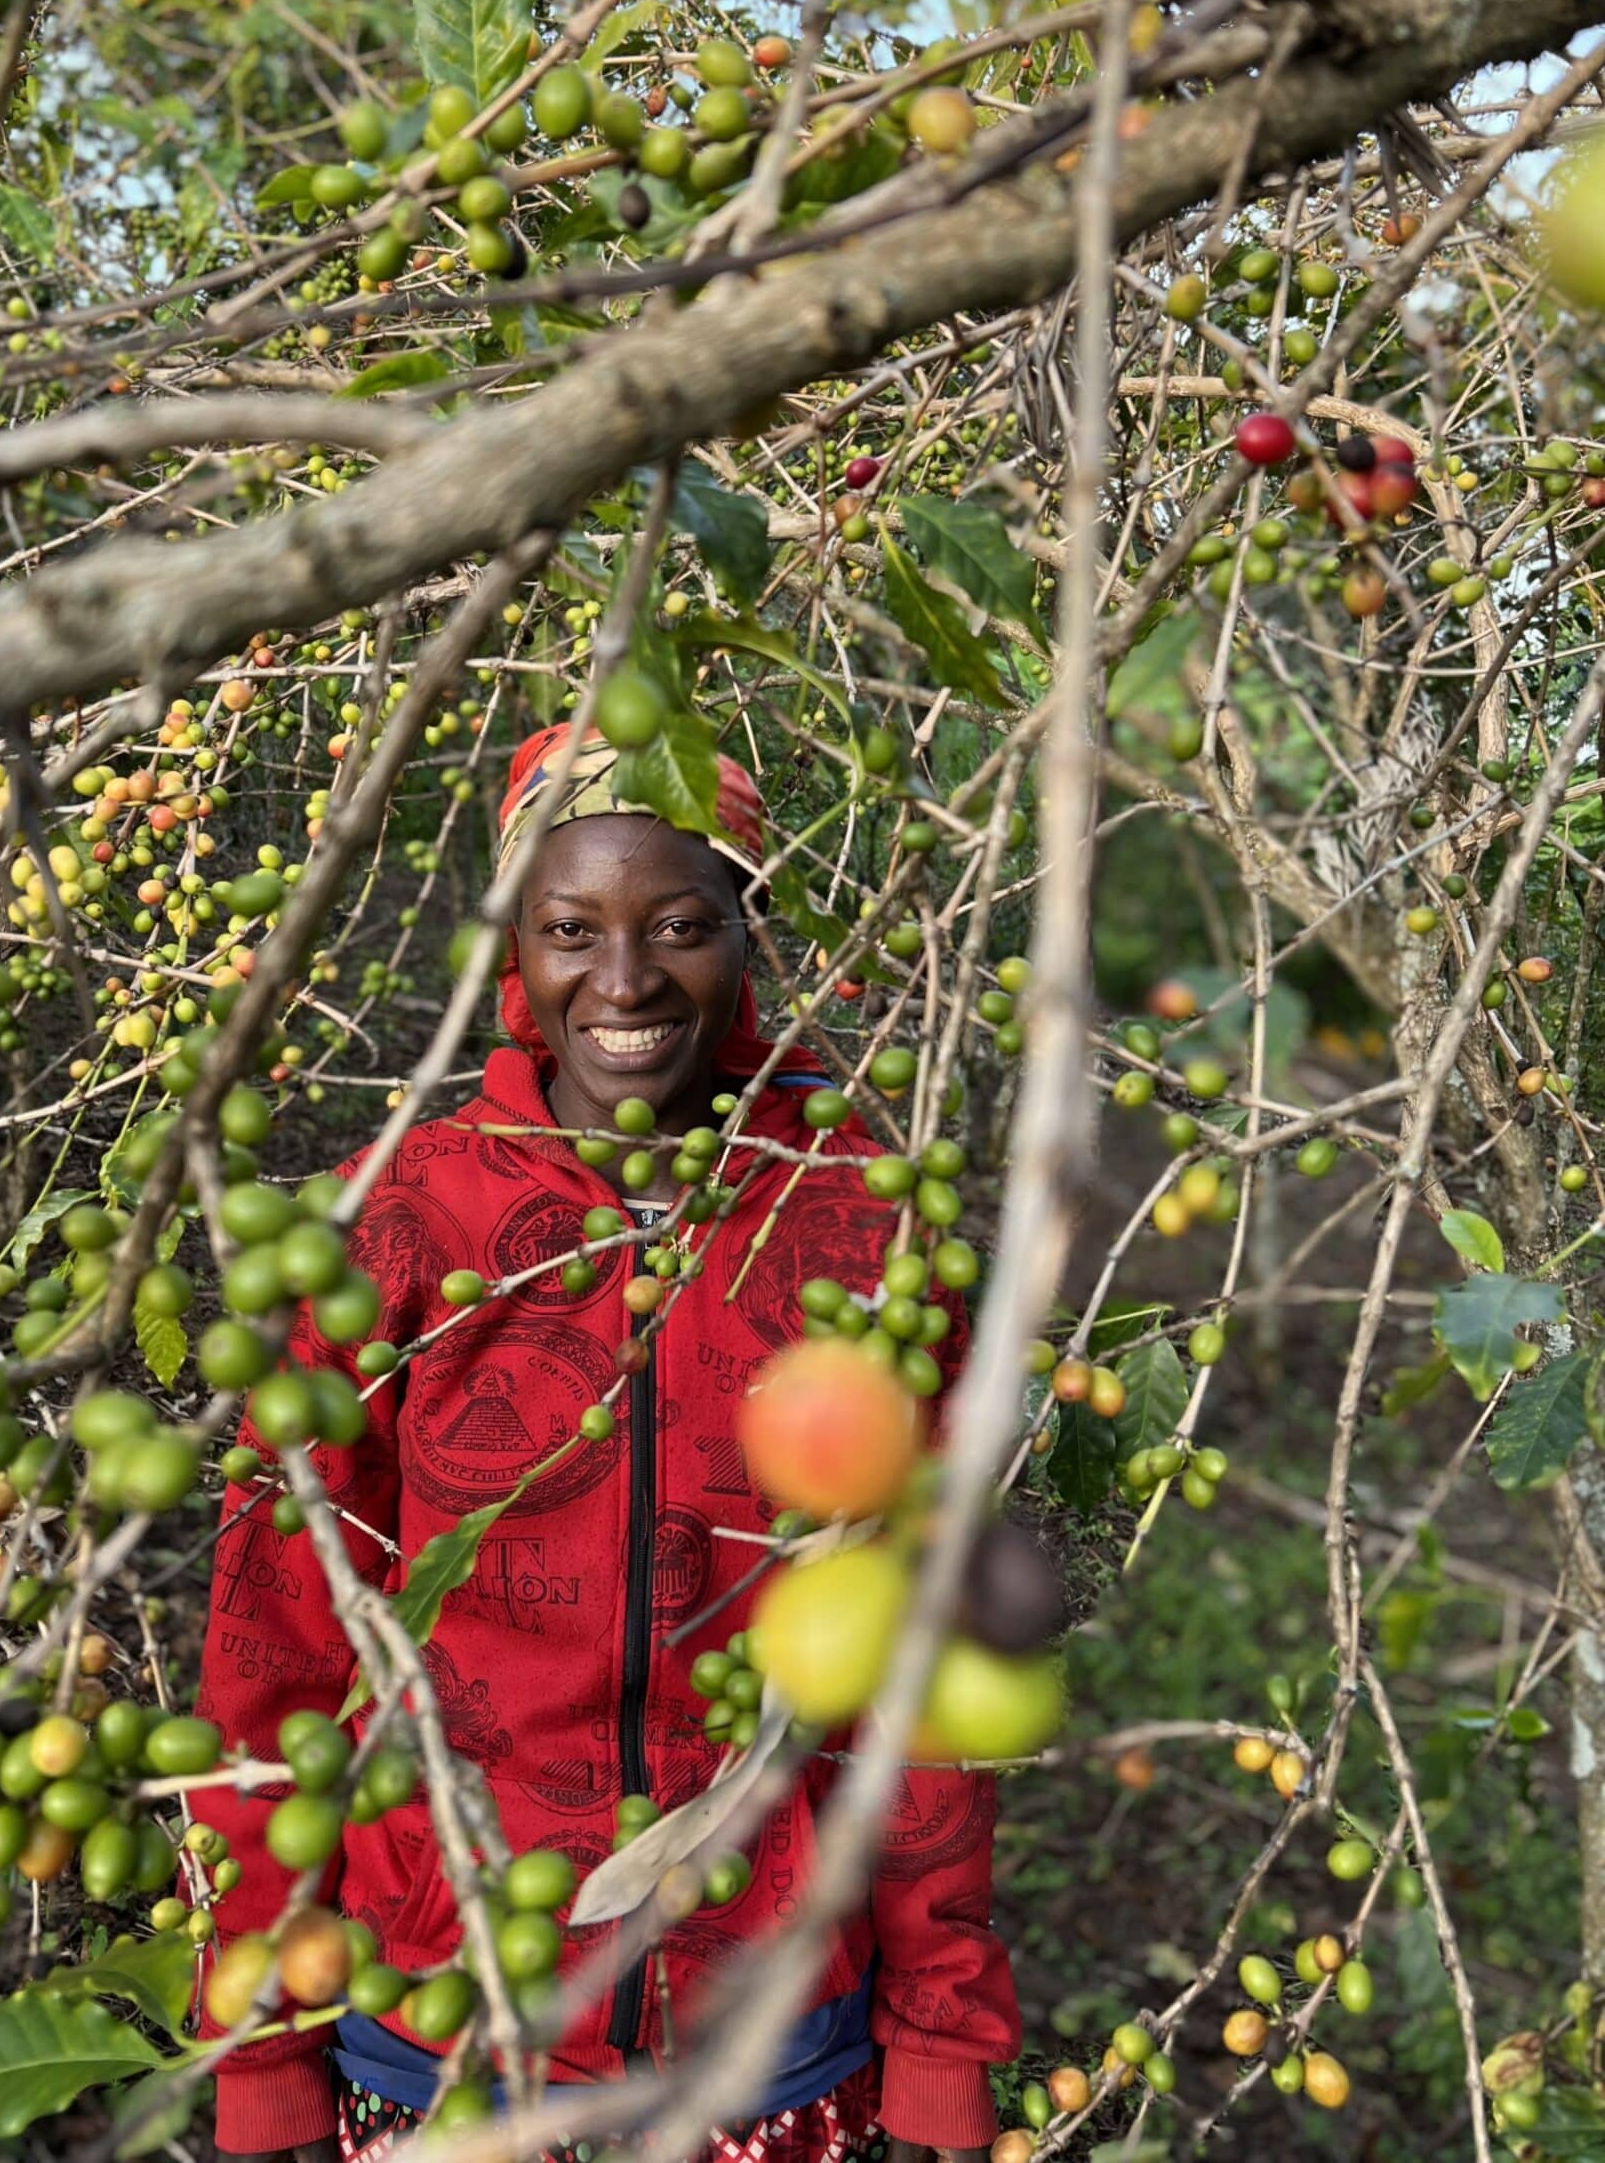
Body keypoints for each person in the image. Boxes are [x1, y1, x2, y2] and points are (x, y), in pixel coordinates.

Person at [190, 726, 1020, 2163]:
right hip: (438, 2034)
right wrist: (266, 2058)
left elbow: (923, 1667)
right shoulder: (398, 1223)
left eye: (682, 926)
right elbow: (279, 1650)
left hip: (768, 2046)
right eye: (573, 929)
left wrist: (943, 2038)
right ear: (518, 950)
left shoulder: (859, 1226)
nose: (625, 982)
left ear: (749, 934)